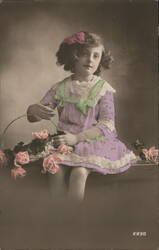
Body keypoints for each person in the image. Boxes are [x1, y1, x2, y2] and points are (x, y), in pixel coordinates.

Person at [27, 31, 137, 203]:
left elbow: (107, 125)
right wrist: (32, 110)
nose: (90, 60)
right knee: (54, 170)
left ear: (101, 59)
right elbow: (37, 115)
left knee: (79, 172)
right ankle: (56, 220)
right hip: (64, 143)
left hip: (92, 142)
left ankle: (74, 221)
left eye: (96, 55)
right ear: (73, 56)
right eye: (85, 54)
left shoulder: (103, 88)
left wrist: (77, 138)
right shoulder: (60, 88)